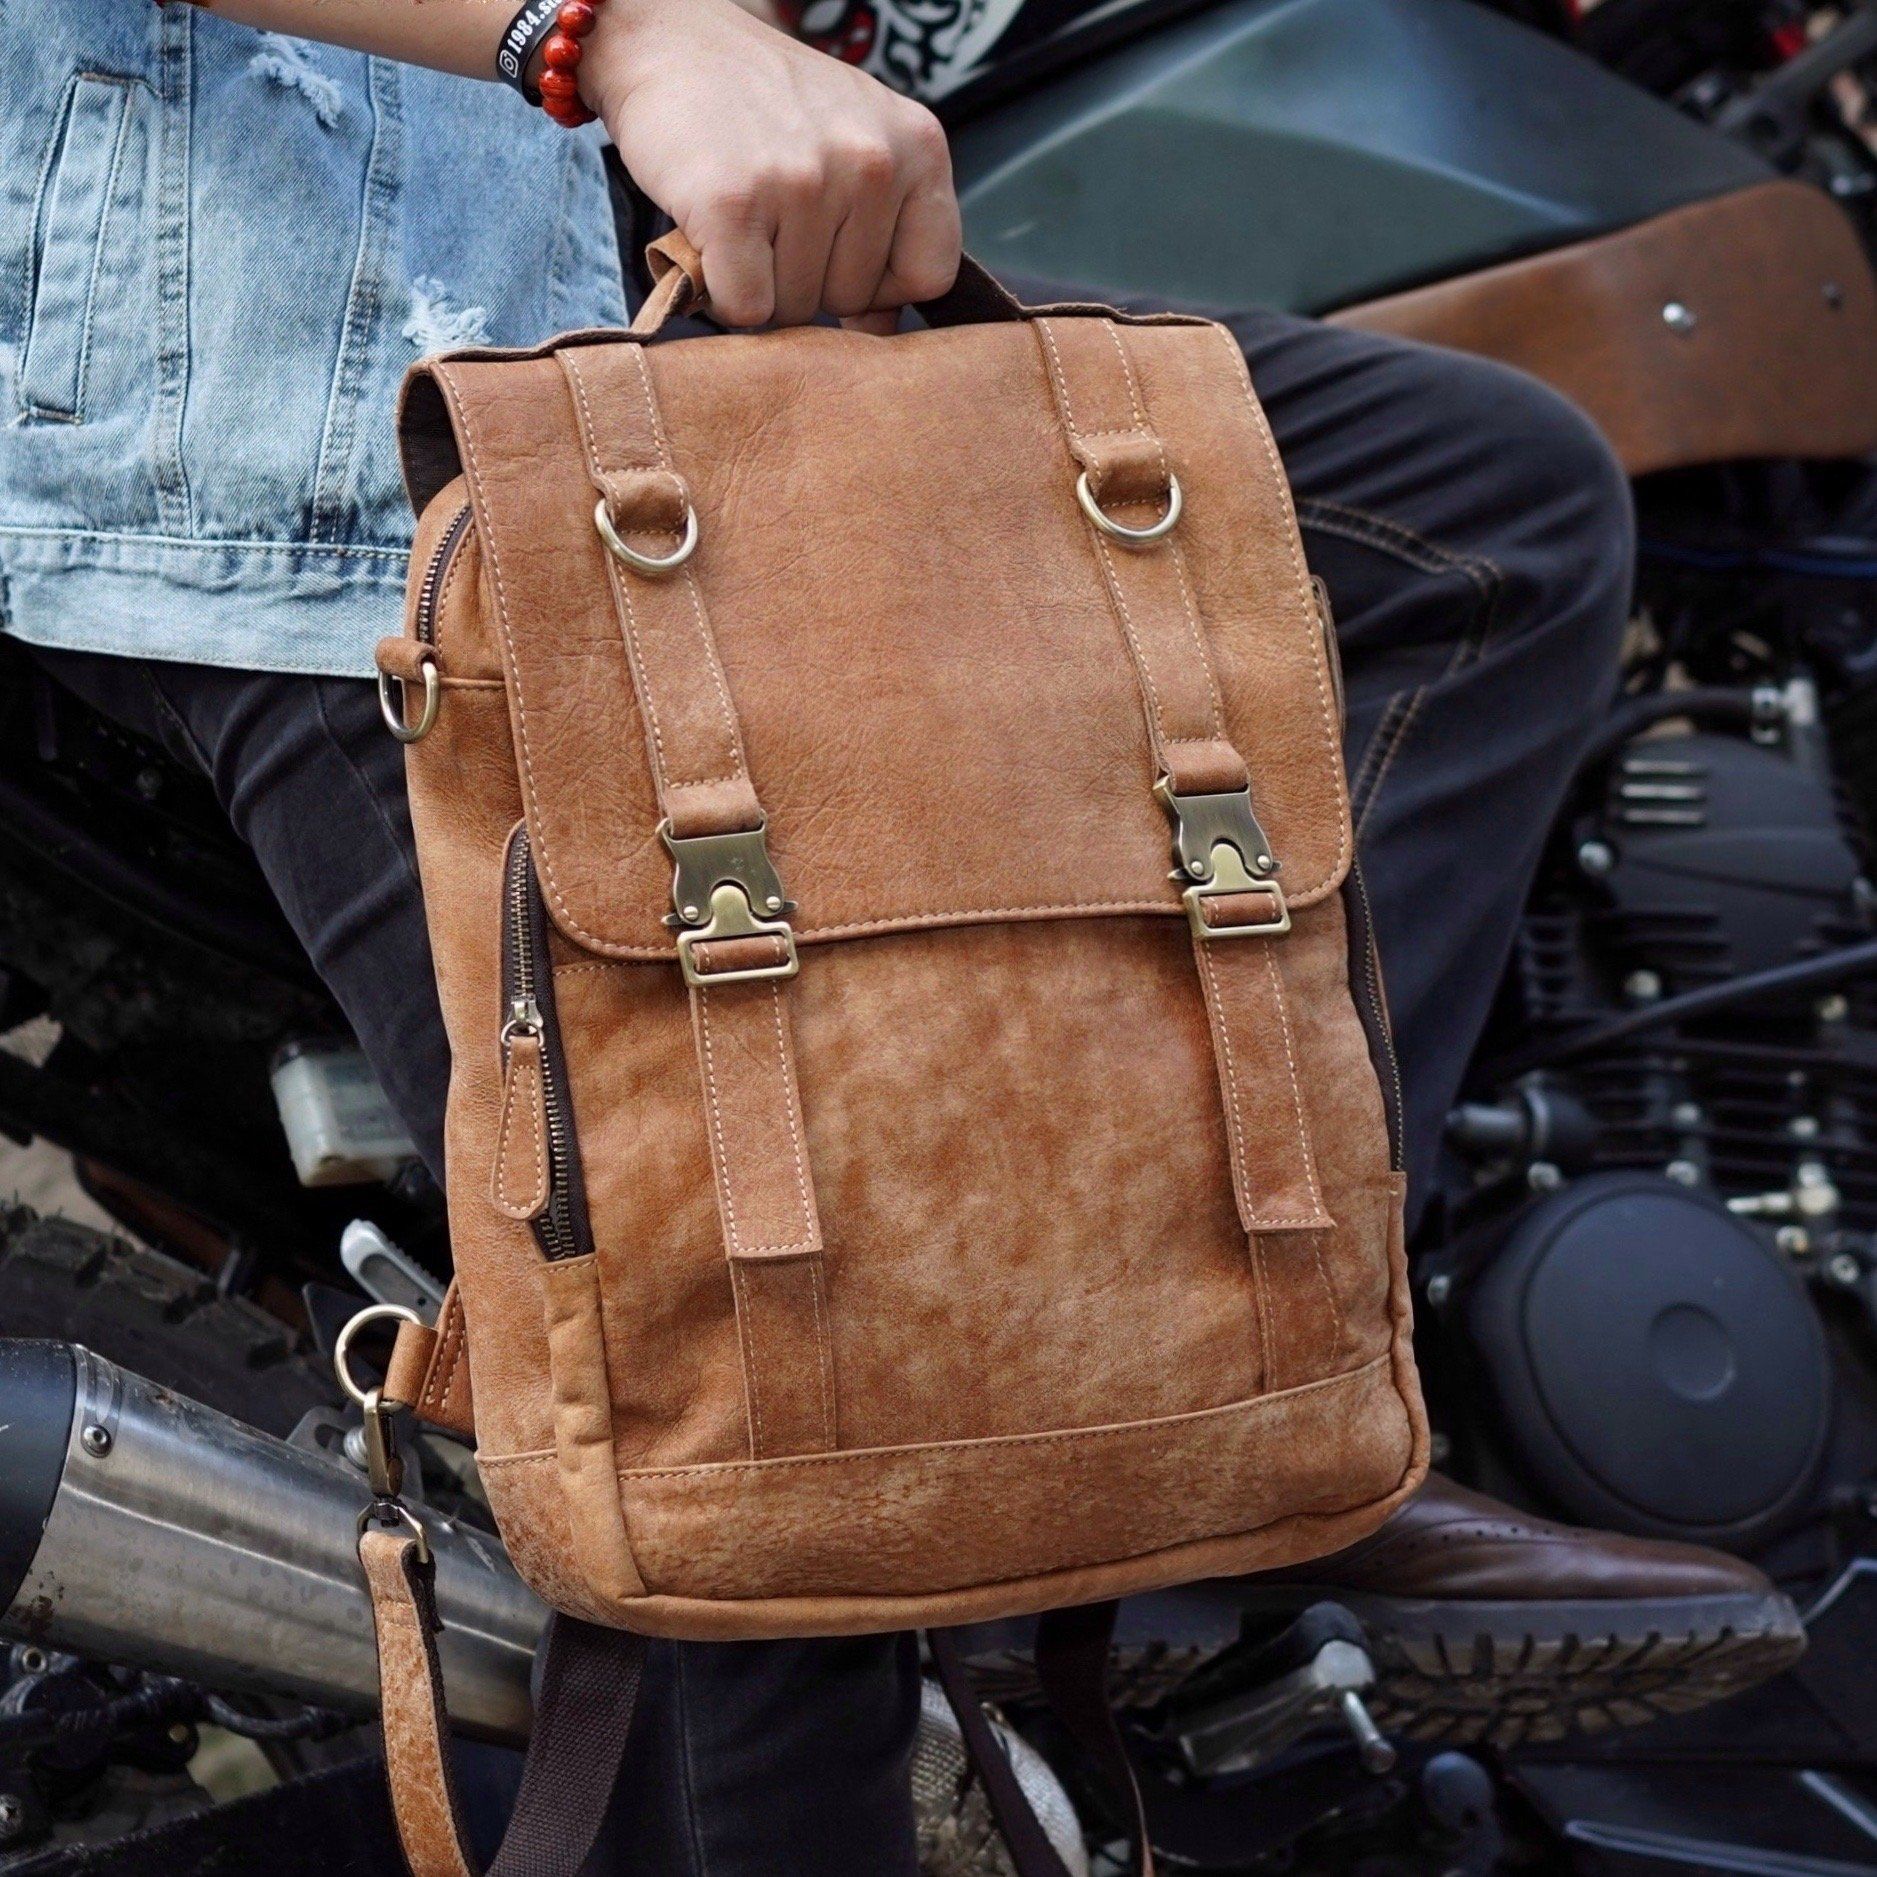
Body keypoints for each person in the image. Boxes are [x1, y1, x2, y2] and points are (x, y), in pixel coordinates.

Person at [0, 1, 1799, 1869]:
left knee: (1489, 502)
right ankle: (1018, 1458)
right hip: (283, 397)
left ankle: (1234, 1358)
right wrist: (615, 34)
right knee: (773, 1470)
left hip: (622, 288)